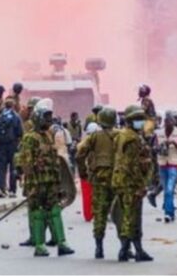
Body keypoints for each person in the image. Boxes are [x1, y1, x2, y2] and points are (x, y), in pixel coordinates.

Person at [15, 99, 74, 257]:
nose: (48, 120)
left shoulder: (48, 136)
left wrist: (59, 181)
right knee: (38, 212)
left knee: (55, 210)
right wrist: (30, 184)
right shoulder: (30, 138)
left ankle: (62, 243)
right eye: (45, 117)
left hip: (51, 181)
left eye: (49, 117)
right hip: (37, 182)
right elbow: (26, 162)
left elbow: (56, 160)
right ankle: (39, 245)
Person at [75, 107, 118, 259]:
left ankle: (99, 247)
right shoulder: (120, 136)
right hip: (117, 179)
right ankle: (125, 246)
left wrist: (83, 172)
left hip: (99, 178)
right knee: (121, 212)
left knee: (99, 213)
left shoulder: (93, 137)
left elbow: (80, 154)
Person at [112, 105, 153, 262]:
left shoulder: (121, 135)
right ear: (130, 121)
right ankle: (126, 250)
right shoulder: (132, 139)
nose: (141, 122)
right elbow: (133, 165)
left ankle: (136, 249)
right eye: (138, 119)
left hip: (121, 181)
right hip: (130, 183)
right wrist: (141, 185)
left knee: (128, 215)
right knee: (131, 216)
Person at [154, 112, 177, 222]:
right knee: (167, 188)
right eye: (166, 121)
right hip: (162, 163)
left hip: (174, 164)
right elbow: (154, 147)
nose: (168, 124)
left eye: (170, 121)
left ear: (173, 122)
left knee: (170, 188)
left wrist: (173, 143)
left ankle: (167, 213)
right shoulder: (158, 133)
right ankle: (170, 212)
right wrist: (160, 147)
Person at [0, 99, 23, 198]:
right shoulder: (16, 117)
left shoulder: (0, 117)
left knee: (1, 167)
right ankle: (12, 190)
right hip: (12, 145)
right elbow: (20, 132)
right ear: (13, 105)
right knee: (13, 168)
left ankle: (0, 188)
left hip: (1, 145)